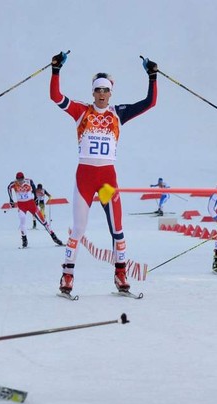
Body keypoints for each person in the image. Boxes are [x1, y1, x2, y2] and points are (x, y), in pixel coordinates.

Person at [49, 51, 158, 295]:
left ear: (111, 93)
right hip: (85, 179)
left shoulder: (118, 113)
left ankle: (121, 274)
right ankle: (67, 275)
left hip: (107, 180)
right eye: (98, 90)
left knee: (117, 228)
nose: (101, 94)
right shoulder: (81, 112)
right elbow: (55, 97)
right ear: (93, 92)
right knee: (78, 229)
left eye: (105, 90)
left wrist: (152, 75)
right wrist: (56, 69)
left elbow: (149, 103)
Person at [7, 171, 63, 248]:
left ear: (23, 178)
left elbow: (33, 187)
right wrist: (11, 199)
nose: (20, 181)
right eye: (18, 180)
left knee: (43, 221)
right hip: (21, 206)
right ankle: (24, 240)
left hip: (31, 205)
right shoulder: (14, 183)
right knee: (22, 220)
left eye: (21, 179)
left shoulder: (28, 181)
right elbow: (9, 187)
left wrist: (35, 197)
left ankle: (54, 237)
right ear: (16, 179)